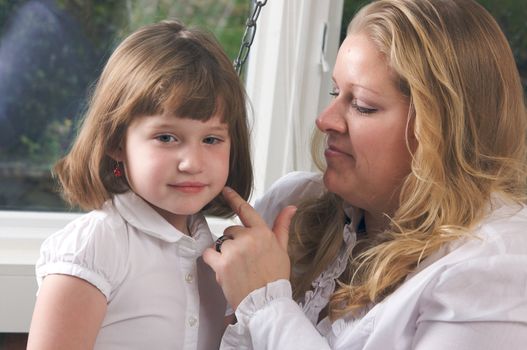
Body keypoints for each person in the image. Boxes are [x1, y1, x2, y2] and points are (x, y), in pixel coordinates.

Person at [203, 0, 527, 348]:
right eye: (334, 91)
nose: (325, 119)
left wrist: (267, 305)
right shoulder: (293, 205)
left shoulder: (497, 268)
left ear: (444, 130)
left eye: (362, 105)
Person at [27, 20, 252, 350]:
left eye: (211, 139)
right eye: (166, 137)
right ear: (117, 142)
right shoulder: (97, 247)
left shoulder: (216, 255)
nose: (192, 162)